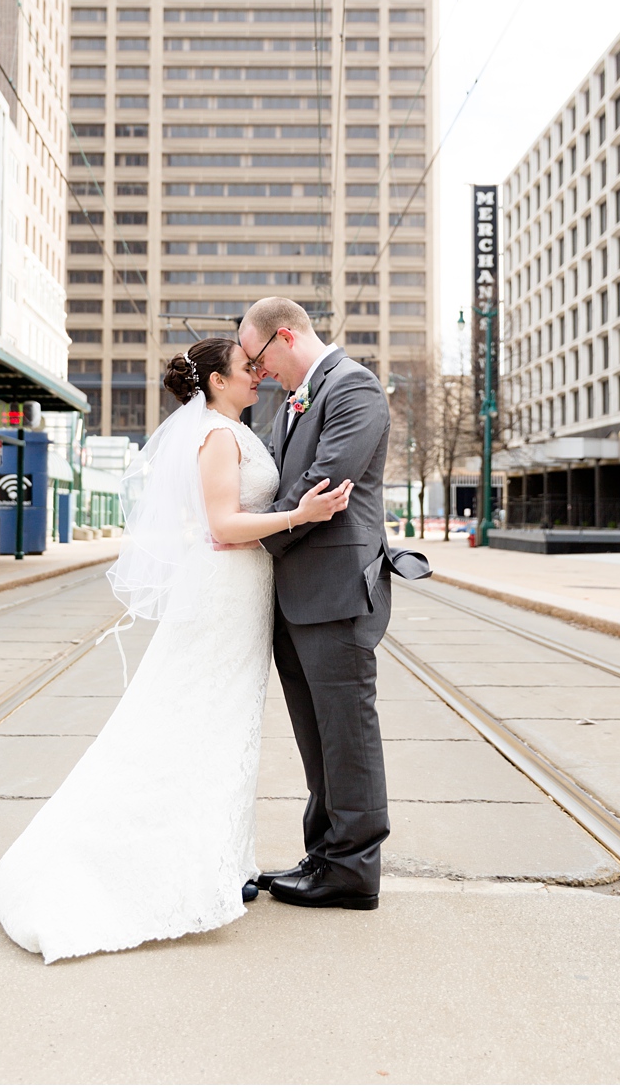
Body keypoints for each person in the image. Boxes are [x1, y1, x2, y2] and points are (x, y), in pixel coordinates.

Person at [0, 334, 352, 962]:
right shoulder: (216, 434)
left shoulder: (234, 430)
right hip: (223, 594)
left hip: (243, 594)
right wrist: (301, 516)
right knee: (197, 721)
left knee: (225, 725)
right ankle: (166, 868)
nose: (258, 375)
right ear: (216, 381)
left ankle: (219, 861)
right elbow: (222, 526)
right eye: (247, 368)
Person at [238, 297, 413, 910]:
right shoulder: (299, 397)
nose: (260, 374)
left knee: (348, 732)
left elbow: (326, 479)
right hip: (297, 593)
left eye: (260, 359)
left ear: (285, 337)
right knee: (318, 737)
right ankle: (326, 854)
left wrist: (250, 529)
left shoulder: (353, 387)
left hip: (337, 590)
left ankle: (355, 869)